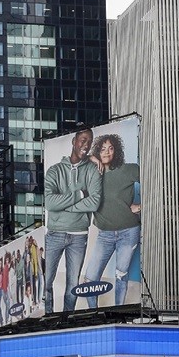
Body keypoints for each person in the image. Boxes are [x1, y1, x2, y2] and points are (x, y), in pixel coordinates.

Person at [43, 128, 103, 314]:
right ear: (74, 141)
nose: (86, 145)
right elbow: (49, 203)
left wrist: (66, 206)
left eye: (89, 141)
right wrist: (79, 194)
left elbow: (94, 202)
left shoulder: (92, 170)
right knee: (46, 281)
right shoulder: (55, 171)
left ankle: (67, 319)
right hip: (54, 234)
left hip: (79, 236)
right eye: (83, 140)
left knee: (73, 284)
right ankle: (48, 317)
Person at [81, 133, 141, 308]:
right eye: (102, 149)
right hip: (104, 235)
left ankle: (119, 312)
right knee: (89, 279)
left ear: (116, 150)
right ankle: (95, 314)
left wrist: (141, 206)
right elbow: (75, 160)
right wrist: (91, 158)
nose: (107, 152)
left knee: (121, 275)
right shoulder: (91, 173)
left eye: (111, 148)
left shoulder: (128, 170)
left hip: (128, 232)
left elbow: (155, 182)